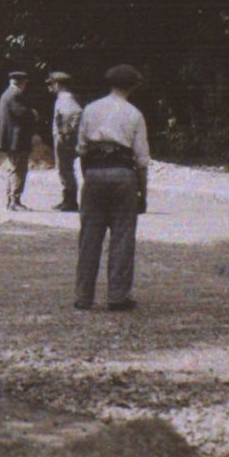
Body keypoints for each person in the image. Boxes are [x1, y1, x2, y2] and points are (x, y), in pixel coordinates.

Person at [75, 64, 150, 311]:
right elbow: (141, 160)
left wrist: (89, 178)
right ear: (133, 86)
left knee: (89, 238)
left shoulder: (90, 109)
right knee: (122, 237)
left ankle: (83, 296)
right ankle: (118, 296)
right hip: (123, 175)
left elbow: (82, 149)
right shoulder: (134, 114)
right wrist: (143, 193)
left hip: (94, 173)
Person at [0, 70, 39, 211]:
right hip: (16, 140)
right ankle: (15, 200)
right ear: (21, 82)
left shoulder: (6, 94)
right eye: (25, 83)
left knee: (13, 168)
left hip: (10, 139)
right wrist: (33, 113)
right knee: (18, 170)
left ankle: (11, 199)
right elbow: (23, 114)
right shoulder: (15, 95)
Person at [48, 70, 83, 212]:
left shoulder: (66, 98)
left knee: (65, 169)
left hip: (64, 139)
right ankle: (67, 199)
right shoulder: (64, 97)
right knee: (64, 169)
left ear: (57, 84)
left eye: (51, 84)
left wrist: (65, 133)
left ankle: (70, 201)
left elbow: (76, 113)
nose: (49, 87)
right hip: (63, 137)